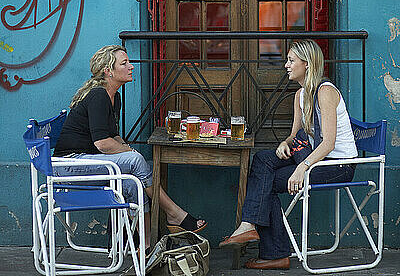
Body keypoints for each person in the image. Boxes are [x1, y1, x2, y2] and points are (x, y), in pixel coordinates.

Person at [219, 39, 357, 270]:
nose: (286, 65)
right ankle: (249, 226)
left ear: (308, 64)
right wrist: (285, 143)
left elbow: (329, 143)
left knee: (268, 181)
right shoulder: (300, 95)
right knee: (263, 159)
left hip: (337, 166)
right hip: (313, 156)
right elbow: (295, 135)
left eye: (291, 60)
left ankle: (273, 252)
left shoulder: (326, 92)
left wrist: (302, 168)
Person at [53, 45, 206, 249]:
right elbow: (102, 143)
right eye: (124, 63)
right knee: (135, 160)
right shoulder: (99, 96)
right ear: (108, 71)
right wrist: (130, 153)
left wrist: (126, 148)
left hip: (85, 162)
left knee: (134, 184)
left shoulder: (114, 97)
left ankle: (146, 247)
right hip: (68, 166)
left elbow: (113, 136)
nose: (131, 67)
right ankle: (175, 213)